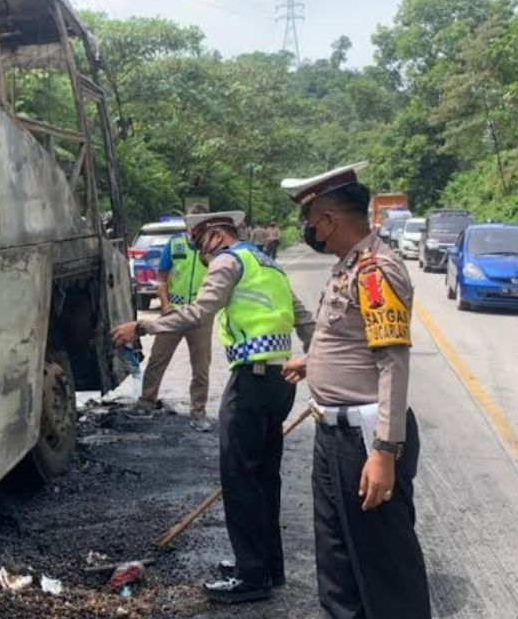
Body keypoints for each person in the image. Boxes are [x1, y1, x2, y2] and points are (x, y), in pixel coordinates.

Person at [111, 211, 315, 605]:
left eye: (200, 243)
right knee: (265, 479)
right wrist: (313, 362)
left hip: (251, 385)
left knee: (239, 480)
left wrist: (142, 327)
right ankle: (266, 566)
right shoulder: (267, 263)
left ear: (216, 236)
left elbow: (199, 312)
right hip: (279, 383)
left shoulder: (228, 260)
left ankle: (251, 577)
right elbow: (307, 323)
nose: (201, 254)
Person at [280, 163, 431, 619]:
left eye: (309, 220)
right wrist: (314, 363)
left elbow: (392, 362)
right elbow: (350, 337)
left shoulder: (375, 271)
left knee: (385, 568)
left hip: (365, 439)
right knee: (337, 563)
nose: (308, 230)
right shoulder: (348, 266)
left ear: (329, 219)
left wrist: (385, 450)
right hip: (332, 435)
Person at [137, 205, 213, 431]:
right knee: (158, 359)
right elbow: (161, 278)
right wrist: (166, 305)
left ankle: (198, 413)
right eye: (193, 222)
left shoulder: (212, 249)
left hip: (200, 315)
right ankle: (146, 403)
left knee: (201, 367)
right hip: (174, 313)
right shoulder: (175, 243)